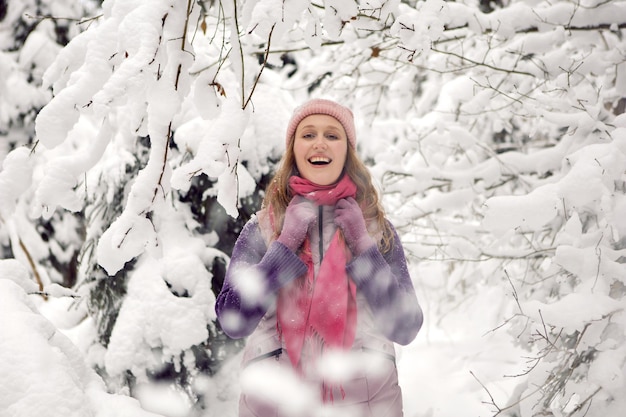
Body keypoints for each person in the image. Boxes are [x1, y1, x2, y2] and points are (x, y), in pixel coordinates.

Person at [215, 98, 423, 417]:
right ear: (294, 149)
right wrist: (284, 246)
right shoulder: (261, 229)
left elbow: (406, 327)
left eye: (332, 135)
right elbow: (234, 320)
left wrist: (362, 245)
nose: (320, 143)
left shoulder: (378, 232)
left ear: (347, 151)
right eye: (308, 134)